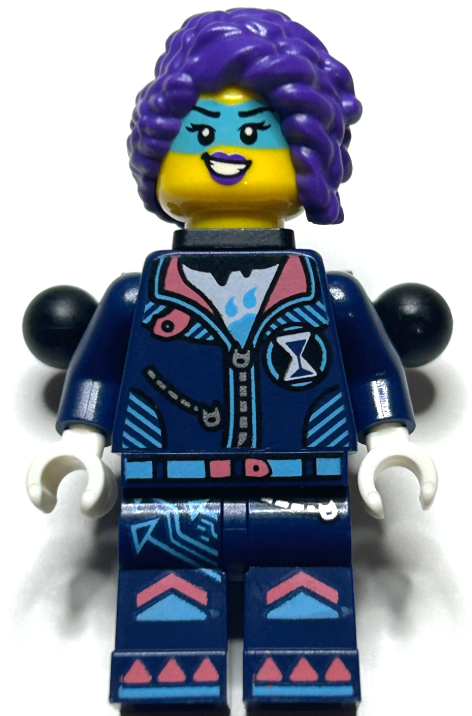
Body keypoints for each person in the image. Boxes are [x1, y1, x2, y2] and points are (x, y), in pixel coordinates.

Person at [26, 9, 437, 709]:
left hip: (305, 489)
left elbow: (372, 369)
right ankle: (171, 670)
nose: (226, 150)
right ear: (160, 155)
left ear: (304, 158)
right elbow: (97, 373)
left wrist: (390, 440)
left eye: (254, 134)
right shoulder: (137, 296)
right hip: (165, 494)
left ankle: (303, 669)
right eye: (201, 133)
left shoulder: (328, 294)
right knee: (164, 605)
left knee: (306, 603)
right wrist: (79, 446)